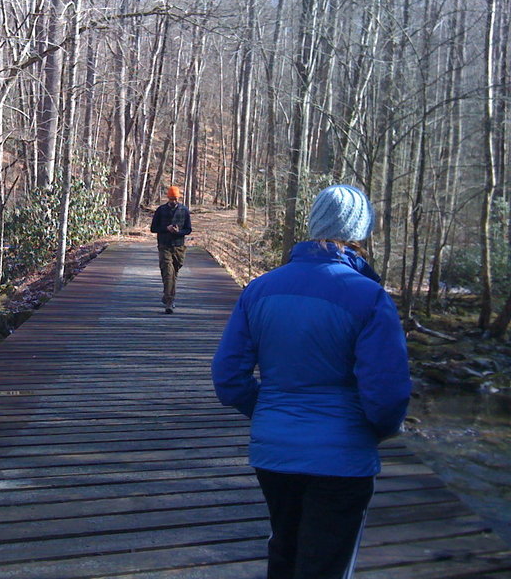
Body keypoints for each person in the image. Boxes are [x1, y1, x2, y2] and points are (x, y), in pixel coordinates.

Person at [212, 184, 411, 579]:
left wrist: (270, 410)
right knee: (325, 566)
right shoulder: (368, 296)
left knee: (284, 552)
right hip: (343, 457)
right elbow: (385, 394)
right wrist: (379, 429)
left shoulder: (260, 288)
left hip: (274, 452)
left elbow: (228, 377)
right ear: (358, 231)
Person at [150, 185, 192, 314]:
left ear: (178, 198)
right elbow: (153, 228)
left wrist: (179, 232)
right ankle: (169, 301)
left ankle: (168, 295)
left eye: (175, 198)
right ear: (168, 198)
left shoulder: (184, 210)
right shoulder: (160, 210)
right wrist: (165, 229)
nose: (173, 200)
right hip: (164, 246)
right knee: (168, 272)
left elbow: (188, 229)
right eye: (171, 198)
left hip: (179, 247)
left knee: (174, 274)